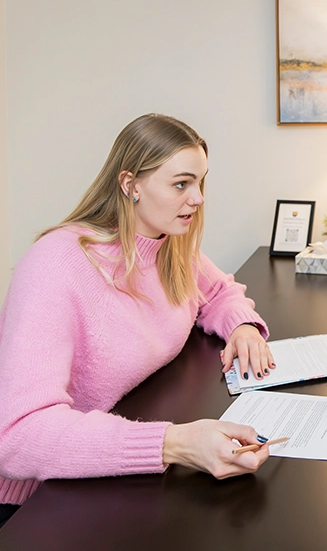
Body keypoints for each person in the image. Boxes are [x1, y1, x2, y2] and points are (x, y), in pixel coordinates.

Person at [0, 114, 276, 528]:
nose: (198, 198)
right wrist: (173, 443)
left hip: (112, 467)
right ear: (130, 185)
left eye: (201, 182)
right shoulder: (56, 265)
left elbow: (218, 291)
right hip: (39, 498)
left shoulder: (167, 243)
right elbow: (18, 435)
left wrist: (241, 326)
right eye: (182, 184)